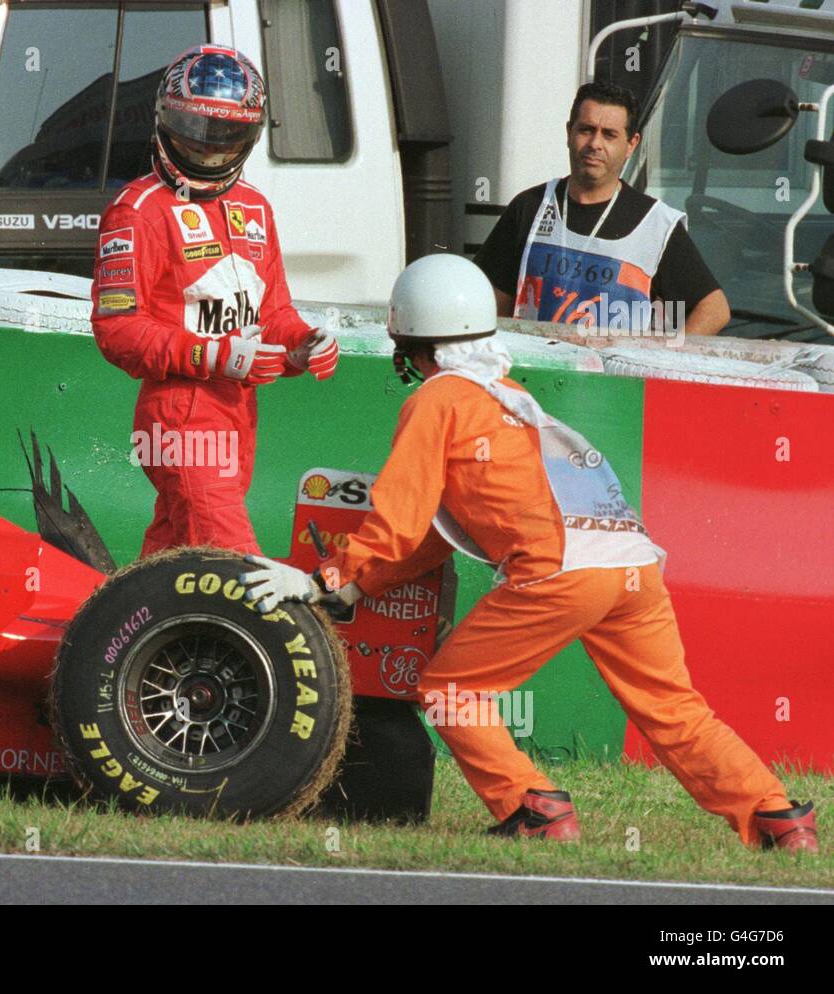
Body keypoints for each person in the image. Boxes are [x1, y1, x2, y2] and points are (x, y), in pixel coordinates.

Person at [240, 254, 817, 852]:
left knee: (450, 691)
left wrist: (321, 578)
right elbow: (438, 531)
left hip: (560, 573)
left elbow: (399, 519)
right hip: (633, 565)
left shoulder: (438, 400)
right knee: (675, 710)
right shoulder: (511, 397)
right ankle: (777, 817)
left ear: (414, 347)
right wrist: (359, 587)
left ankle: (532, 808)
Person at [90, 45, 337, 557]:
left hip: (238, 411)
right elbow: (117, 329)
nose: (206, 148)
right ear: (164, 118)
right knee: (234, 567)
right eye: (193, 128)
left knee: (173, 558)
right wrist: (211, 354)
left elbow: (273, 314)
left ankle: (120, 628)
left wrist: (302, 342)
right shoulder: (136, 211)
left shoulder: (255, 207)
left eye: (223, 135)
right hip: (179, 412)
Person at [475, 81, 730, 337]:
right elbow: (491, 304)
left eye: (609, 134)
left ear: (631, 144)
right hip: (533, 372)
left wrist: (662, 362)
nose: (595, 143)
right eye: (586, 130)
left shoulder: (656, 225)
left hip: (611, 375)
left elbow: (713, 310)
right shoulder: (529, 207)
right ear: (569, 132)